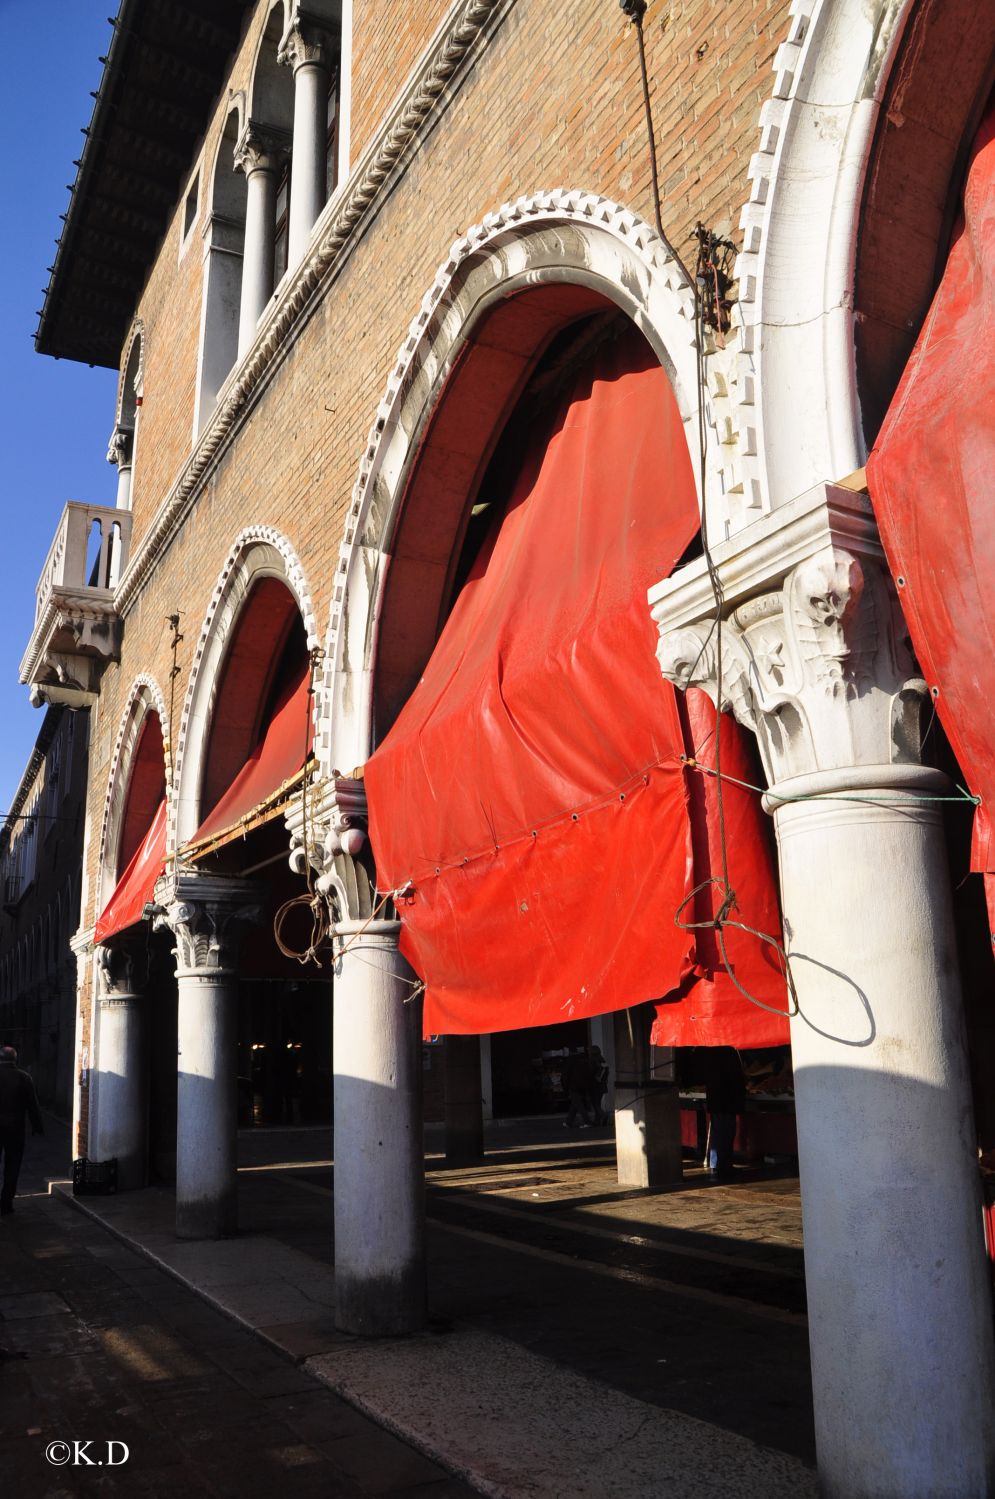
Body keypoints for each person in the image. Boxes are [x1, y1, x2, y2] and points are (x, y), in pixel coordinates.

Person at [0, 1046, 44, 1216]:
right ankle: (6, 1203)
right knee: (13, 1166)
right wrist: (37, 1126)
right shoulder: (24, 1077)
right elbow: (33, 1105)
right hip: (15, 1128)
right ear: (15, 1060)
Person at [702, 1046, 745, 1180]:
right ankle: (723, 1165)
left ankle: (717, 1163)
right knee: (725, 1132)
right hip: (725, 1100)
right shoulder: (727, 1052)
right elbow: (733, 1077)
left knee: (719, 1131)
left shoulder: (712, 1052)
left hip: (718, 1099)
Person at [563, 1047, 595, 1129]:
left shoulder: (570, 1061)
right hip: (583, 1086)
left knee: (579, 1105)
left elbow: (566, 1075)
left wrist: (565, 1087)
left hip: (573, 1085)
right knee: (575, 1104)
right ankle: (568, 1122)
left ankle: (587, 1121)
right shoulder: (584, 1060)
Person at [590, 1045, 610, 1125]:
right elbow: (607, 1071)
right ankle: (597, 1121)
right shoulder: (602, 1059)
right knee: (597, 1102)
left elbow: (591, 1072)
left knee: (595, 1104)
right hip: (602, 1085)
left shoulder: (593, 1060)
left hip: (595, 1085)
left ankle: (604, 1115)